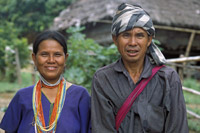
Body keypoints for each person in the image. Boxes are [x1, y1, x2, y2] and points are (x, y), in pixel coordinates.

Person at [91, 3, 188, 133]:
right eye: (126, 35)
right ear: (115, 39)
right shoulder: (103, 79)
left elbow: (178, 128)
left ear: (149, 40)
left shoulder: (168, 79)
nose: (132, 42)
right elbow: (102, 129)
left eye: (140, 35)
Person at [0, 30, 91, 133]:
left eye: (57, 54)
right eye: (44, 54)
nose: (51, 60)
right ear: (34, 58)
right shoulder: (22, 97)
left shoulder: (80, 96)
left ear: (65, 59)